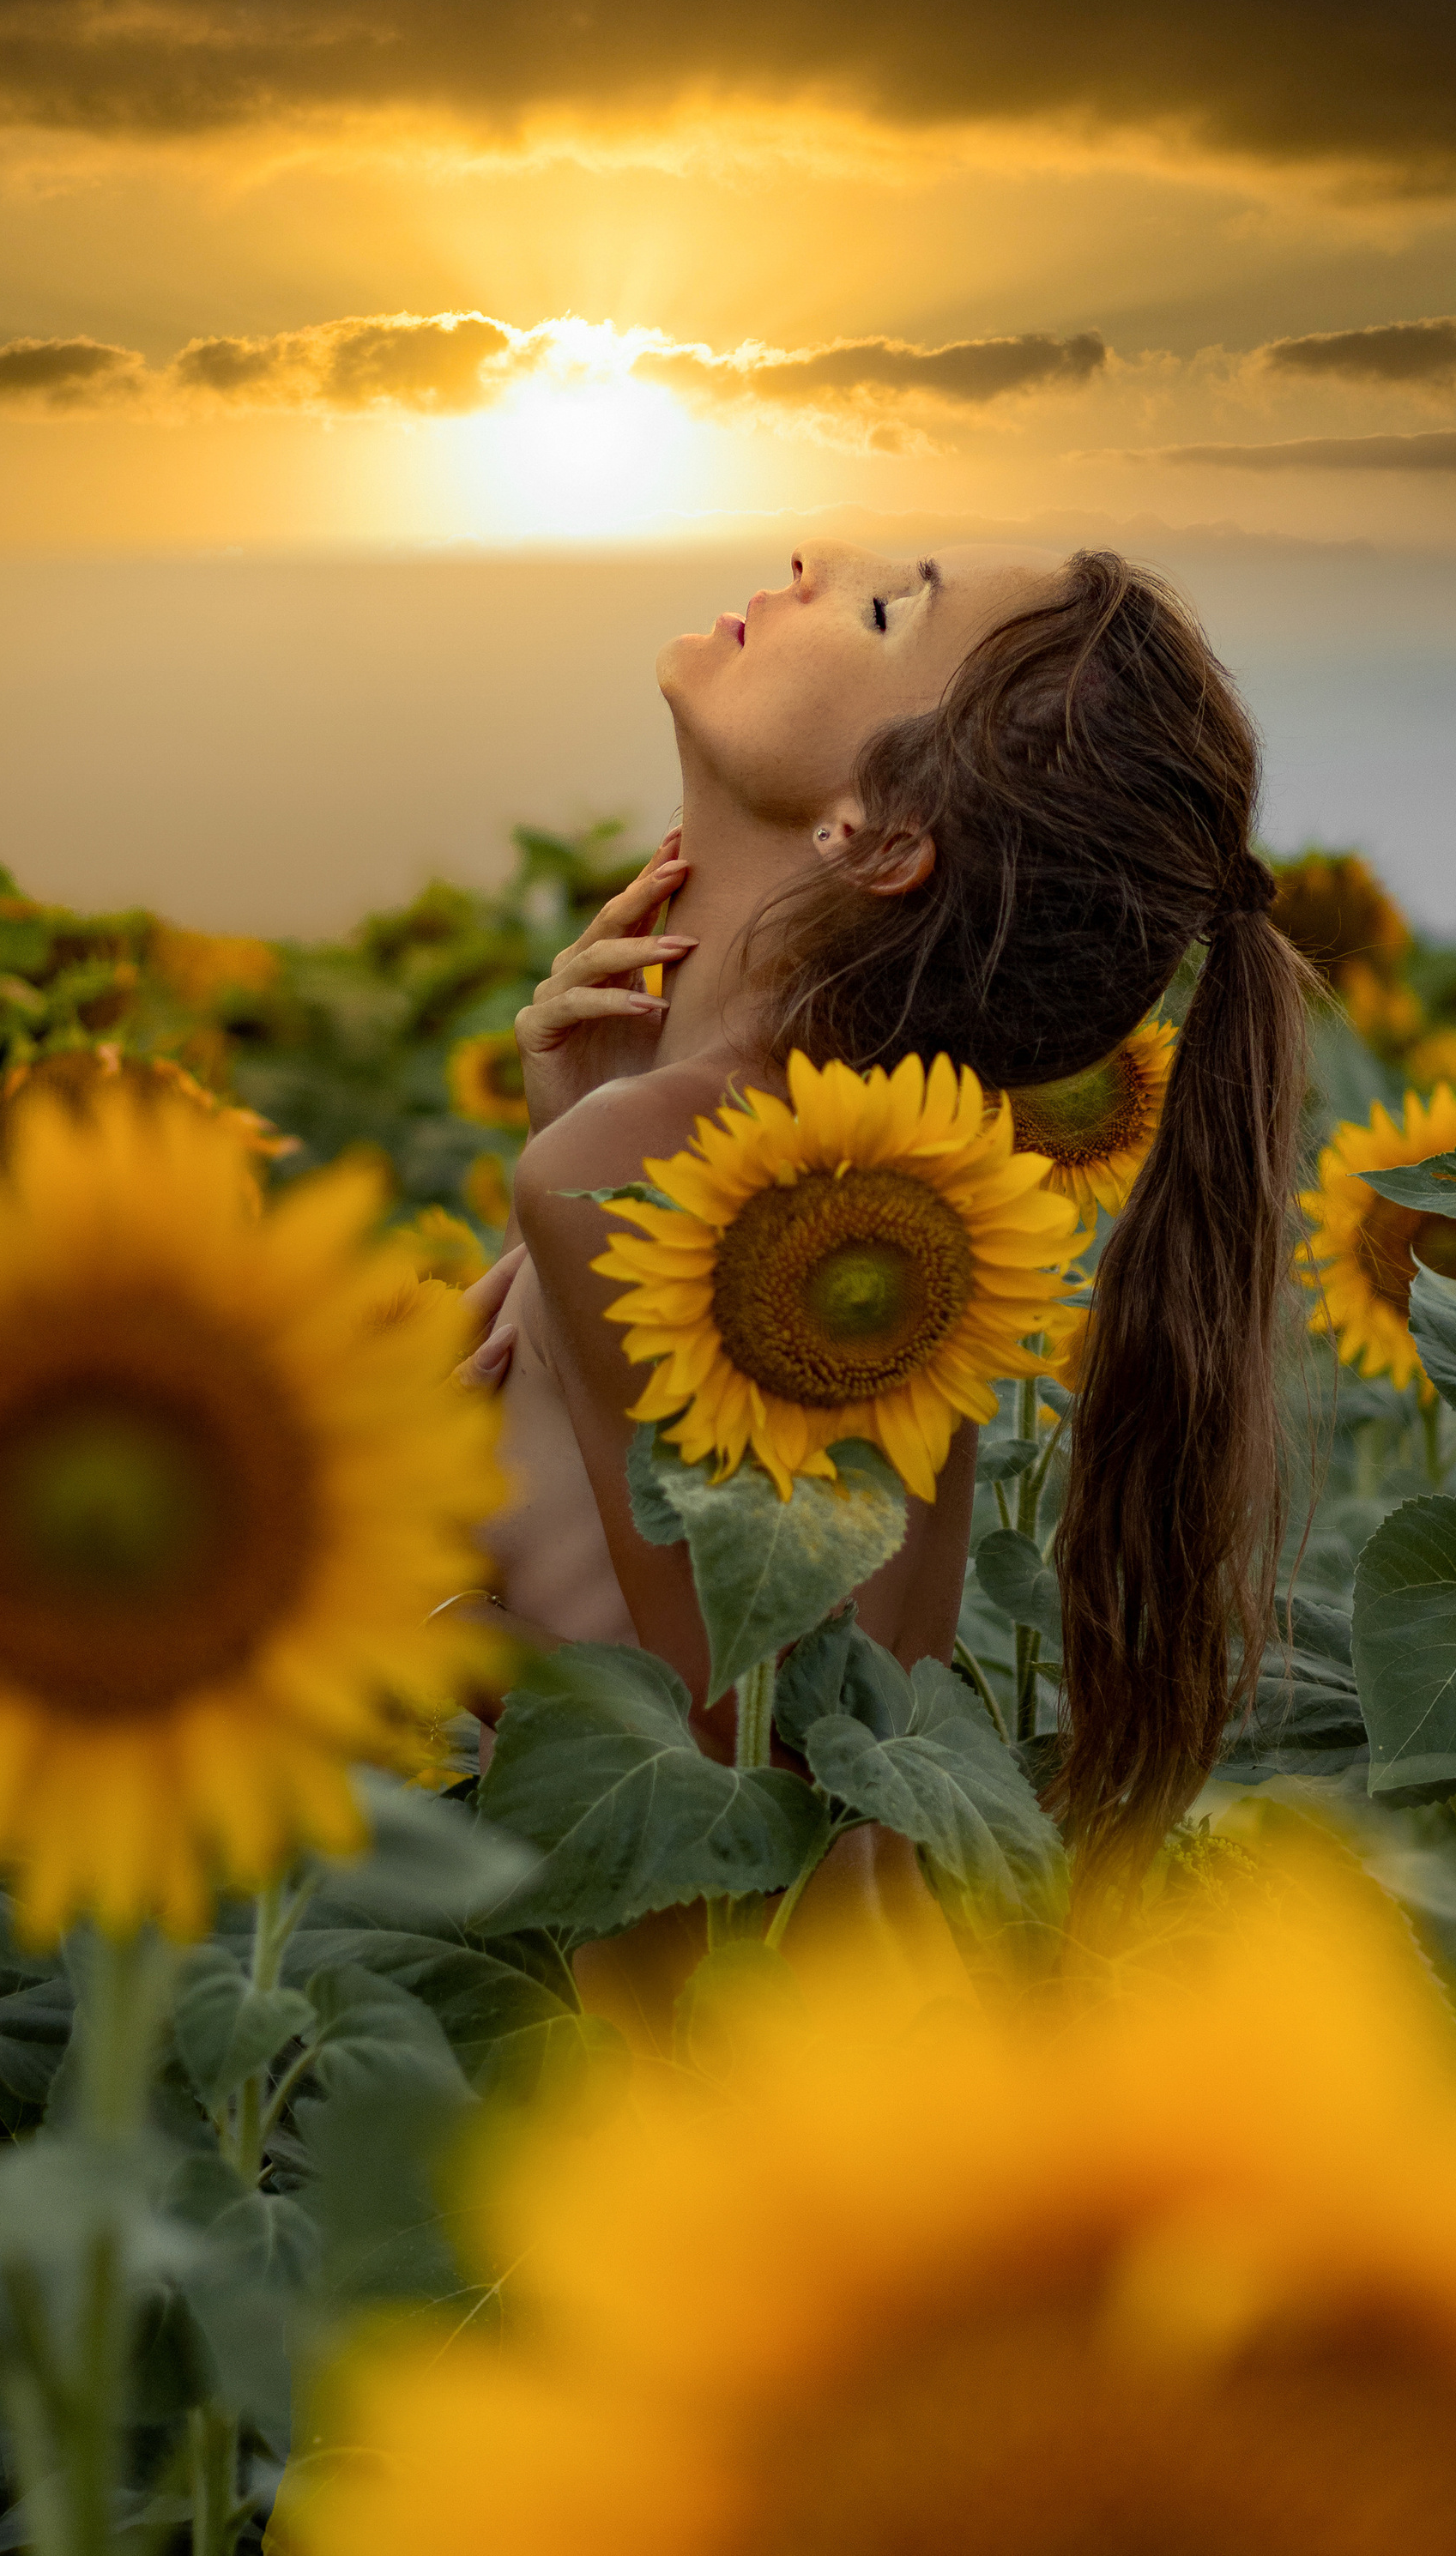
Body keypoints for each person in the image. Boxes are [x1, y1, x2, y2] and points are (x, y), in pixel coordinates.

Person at [463, 536, 1308, 1919]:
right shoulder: (885, 1188)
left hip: (709, 2071)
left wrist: (393, 1629)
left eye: (878, 609)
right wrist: (582, 1119)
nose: (812, 553)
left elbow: (739, 1768)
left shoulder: (686, 1186)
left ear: (882, 834)